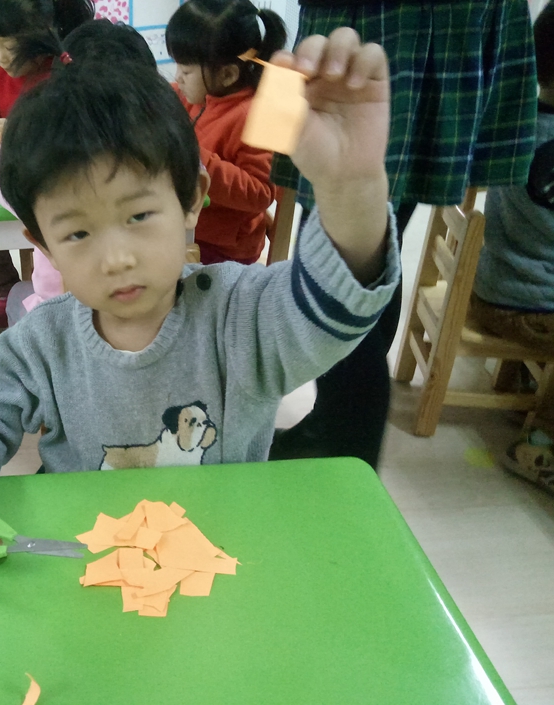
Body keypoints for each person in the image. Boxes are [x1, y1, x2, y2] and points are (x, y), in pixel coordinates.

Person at [0, 28, 402, 579]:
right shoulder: (43, 341)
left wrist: (352, 188)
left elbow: (336, 305)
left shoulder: (241, 316)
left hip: (220, 562)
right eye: (77, 233)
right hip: (87, 565)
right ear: (42, 244)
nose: (116, 259)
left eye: (138, 216)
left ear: (192, 200)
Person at [269, 0, 538, 470]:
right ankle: (333, 424)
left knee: (337, 277)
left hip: (407, 25)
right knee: (354, 267)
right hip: (390, 26)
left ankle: (347, 462)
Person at [0, 18, 158, 326]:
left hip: (56, 312)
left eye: (139, 216)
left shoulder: (46, 166)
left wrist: (19, 139)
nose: (116, 261)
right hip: (148, 308)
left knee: (17, 296)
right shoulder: (163, 153)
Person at [0, 0, 95, 330]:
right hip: (5, 185)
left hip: (45, 189)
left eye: (8, 46)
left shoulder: (62, 73)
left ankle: (30, 292)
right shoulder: (0, 77)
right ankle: (3, 292)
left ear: (40, 35)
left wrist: (21, 129)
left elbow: (70, 131)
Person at [471, 3, 554, 493]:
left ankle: (522, 383)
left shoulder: (523, 118)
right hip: (522, 303)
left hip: (498, 282)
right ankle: (539, 444)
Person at [166, 0, 285, 265]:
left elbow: (261, 193)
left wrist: (198, 161)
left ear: (228, 74)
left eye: (186, 70)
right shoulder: (197, 95)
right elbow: (165, 96)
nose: (178, 77)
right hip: (192, 228)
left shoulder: (254, 116)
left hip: (224, 250)